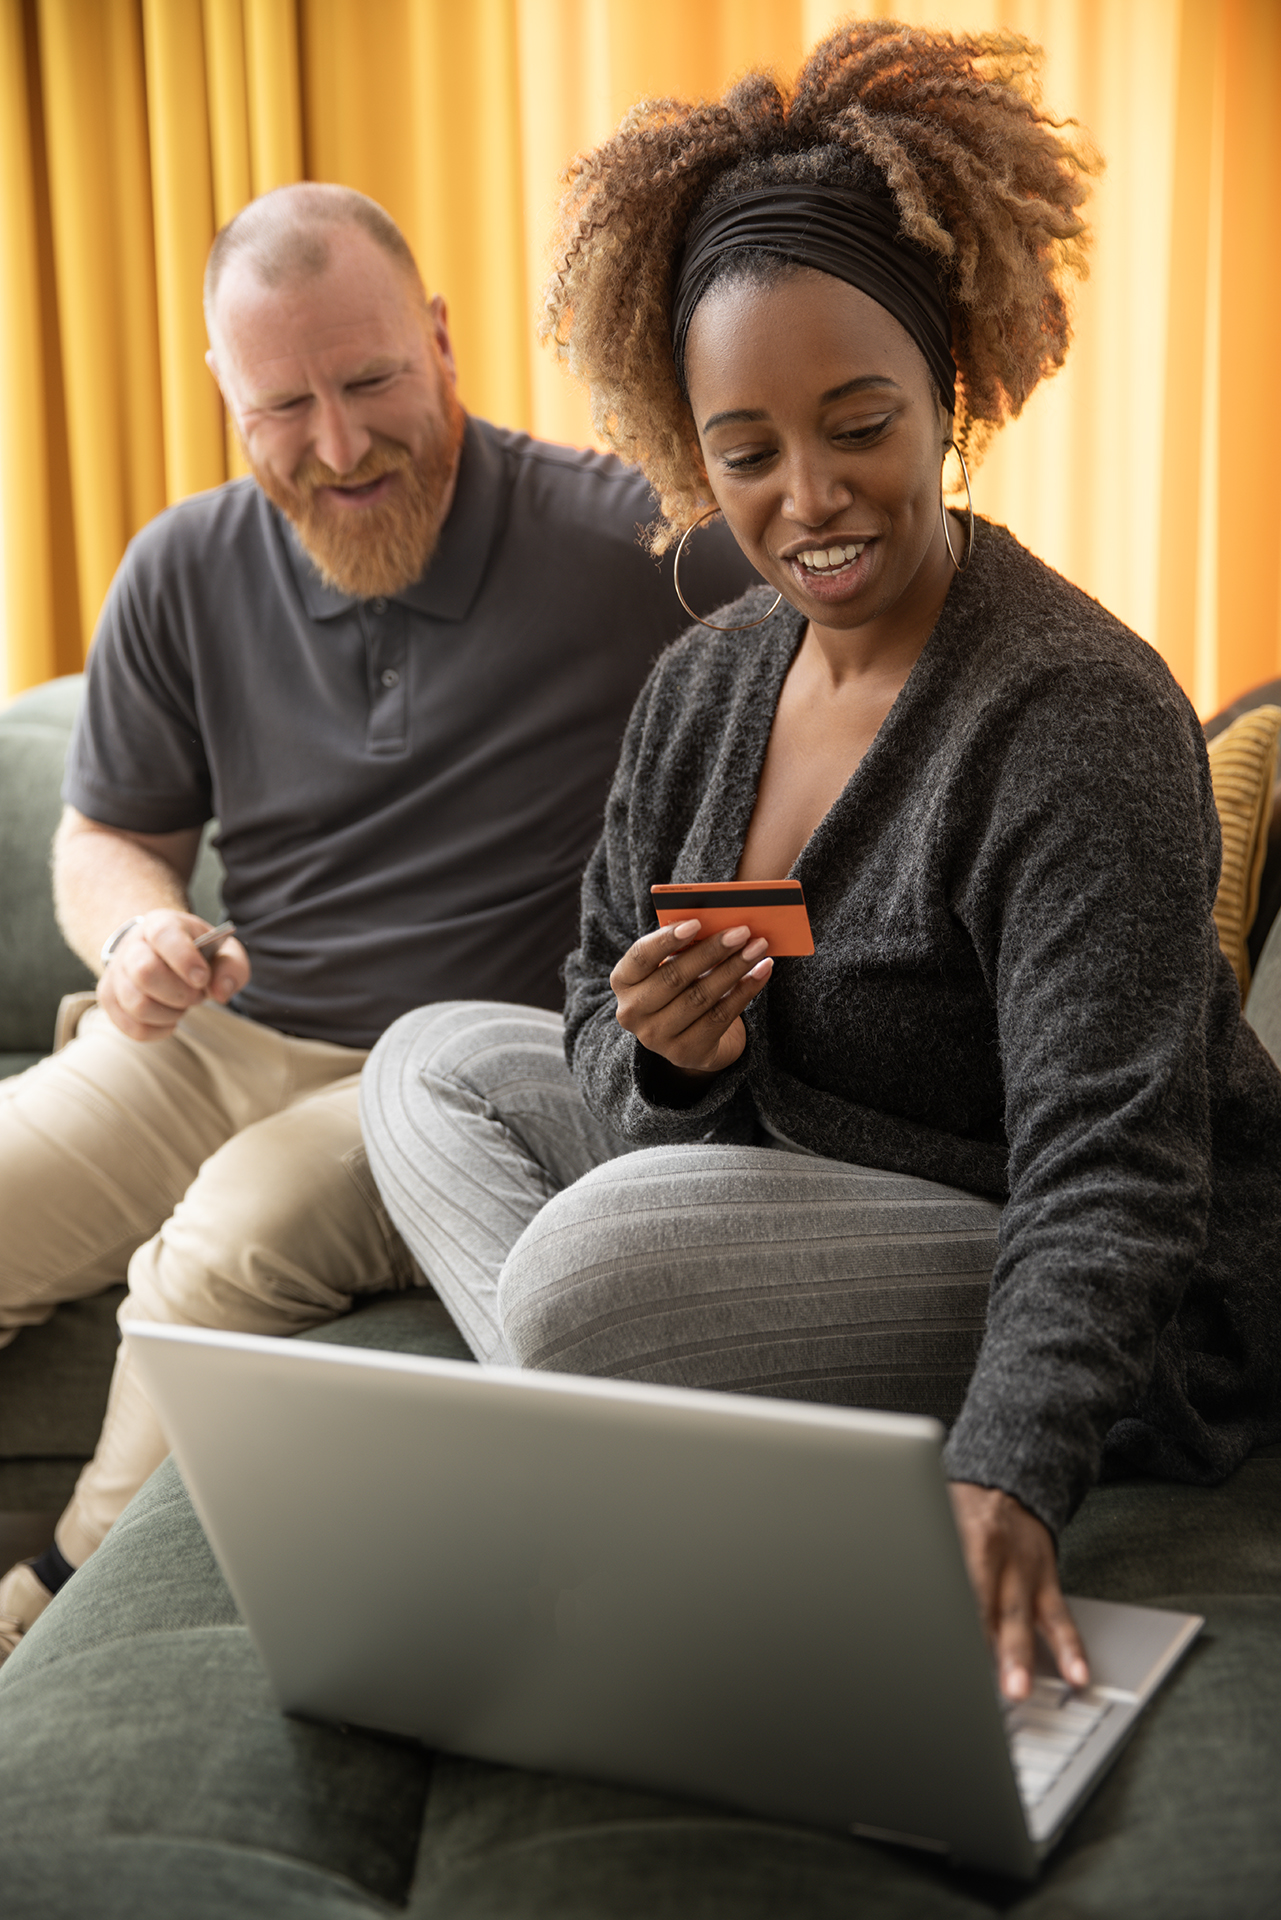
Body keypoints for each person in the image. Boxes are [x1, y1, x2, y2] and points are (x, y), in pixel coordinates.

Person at [361, 22, 1281, 1704]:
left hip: (1049, 1237)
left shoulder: (1062, 711)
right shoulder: (700, 689)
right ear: (687, 445)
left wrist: (1005, 1470)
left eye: (858, 423)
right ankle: (607, 1428)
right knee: (430, 1067)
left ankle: (577, 1434)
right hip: (781, 1161)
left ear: (950, 388)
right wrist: (666, 1061)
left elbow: (1116, 1162)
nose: (809, 500)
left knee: (588, 1269)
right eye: (747, 451)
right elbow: (587, 1010)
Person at [0, 182, 752, 1659]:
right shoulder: (180, 567)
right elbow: (108, 837)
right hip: (221, 1035)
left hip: (451, 1071)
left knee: (220, 1241)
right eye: (286, 405)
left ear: (441, 341)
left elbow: (838, 629)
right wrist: (140, 932)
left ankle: (46, 1609)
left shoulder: (628, 541)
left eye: (369, 383)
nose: (340, 447)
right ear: (226, 395)